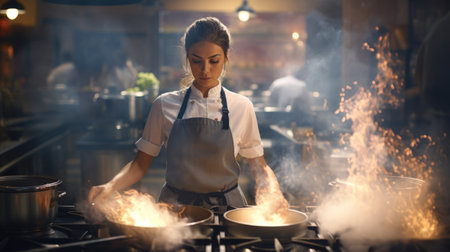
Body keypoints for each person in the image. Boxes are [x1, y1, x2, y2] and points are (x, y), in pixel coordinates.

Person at [88, 17, 288, 212]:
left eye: (214, 61)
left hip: (227, 209)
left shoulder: (242, 106)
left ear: (226, 56)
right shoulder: (164, 105)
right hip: (175, 210)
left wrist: (273, 189)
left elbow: (259, 166)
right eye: (196, 61)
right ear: (187, 57)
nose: (205, 70)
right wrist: (110, 186)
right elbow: (140, 164)